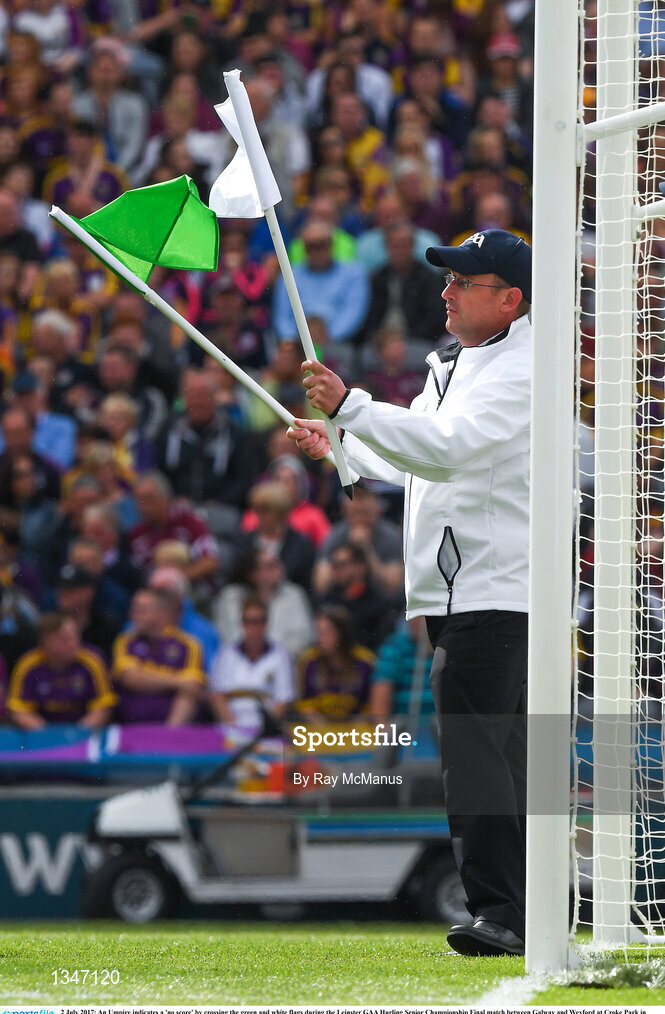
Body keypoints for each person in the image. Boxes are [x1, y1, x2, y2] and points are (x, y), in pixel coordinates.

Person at [288, 228, 532, 958]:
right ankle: (523, 911)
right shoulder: (455, 362)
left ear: (508, 298)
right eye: (448, 279)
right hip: (468, 592)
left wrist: (353, 406)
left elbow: (448, 450)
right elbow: (420, 456)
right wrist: (341, 444)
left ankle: (501, 913)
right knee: (501, 756)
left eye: (463, 281)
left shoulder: (521, 368)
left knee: (477, 756)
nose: (445, 292)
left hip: (492, 591)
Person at [7, 612, 116, 729]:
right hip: (41, 736)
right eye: (65, 639)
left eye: (76, 636)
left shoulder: (92, 661)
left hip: (84, 734)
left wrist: (78, 732)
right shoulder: (27, 665)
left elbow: (103, 707)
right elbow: (19, 710)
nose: (74, 644)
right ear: (46, 641)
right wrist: (47, 732)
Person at [208, 594, 294, 727]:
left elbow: (284, 700)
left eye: (258, 621)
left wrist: (265, 728)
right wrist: (233, 725)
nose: (253, 627)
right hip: (231, 726)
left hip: (267, 729)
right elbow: (218, 695)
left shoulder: (280, 654)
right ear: (241, 623)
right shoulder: (227, 653)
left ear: (266, 623)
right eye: (248, 621)